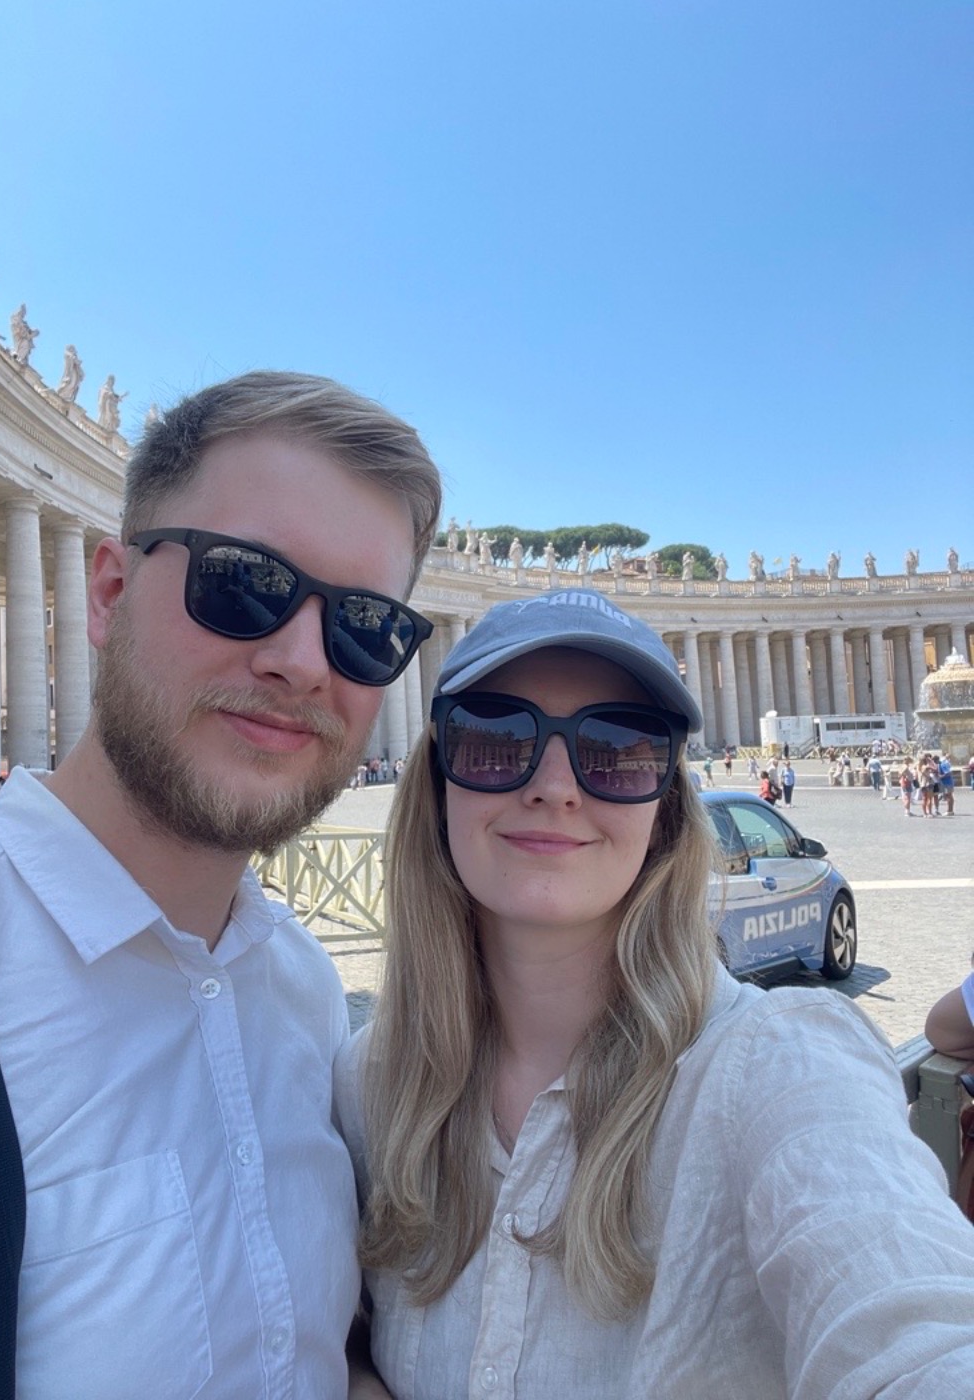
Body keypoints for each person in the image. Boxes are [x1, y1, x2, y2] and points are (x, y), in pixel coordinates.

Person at [0, 370, 441, 1399]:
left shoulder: (305, 988)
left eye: (366, 626)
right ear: (109, 594)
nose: (302, 662)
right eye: (244, 582)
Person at [337, 589, 974, 1397]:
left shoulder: (781, 1068)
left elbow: (913, 1325)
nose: (556, 787)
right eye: (496, 737)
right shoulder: (368, 1082)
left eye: (618, 748)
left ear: (665, 811)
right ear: (436, 784)